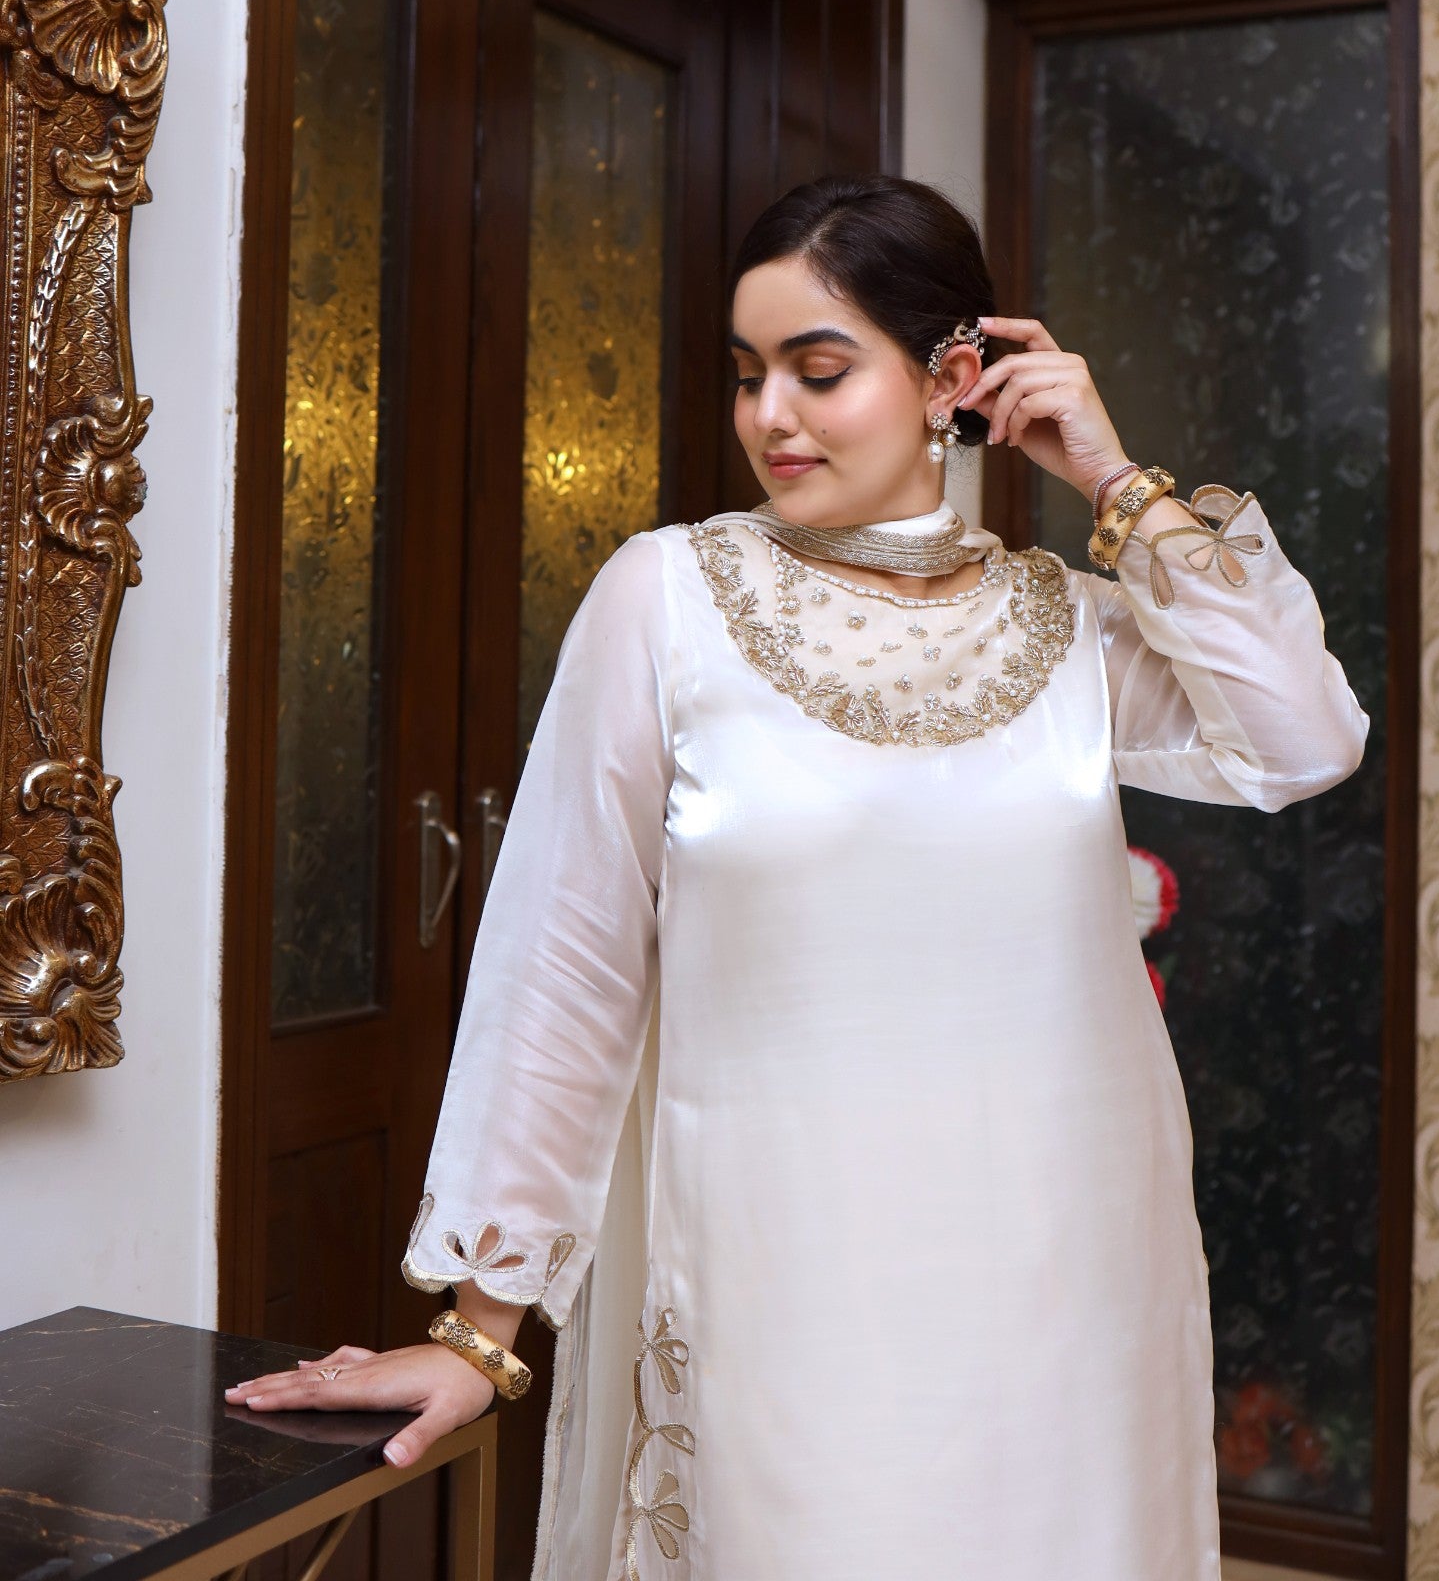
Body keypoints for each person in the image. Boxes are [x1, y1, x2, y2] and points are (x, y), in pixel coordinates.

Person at [226, 175, 1368, 1578]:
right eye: (749, 374)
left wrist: (1115, 484)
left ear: (954, 377)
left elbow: (1301, 741)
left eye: (819, 372)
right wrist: (483, 1327)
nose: (771, 414)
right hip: (781, 1286)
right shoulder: (668, 599)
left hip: (1066, 1283)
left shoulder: (1071, 629)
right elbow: (568, 960)